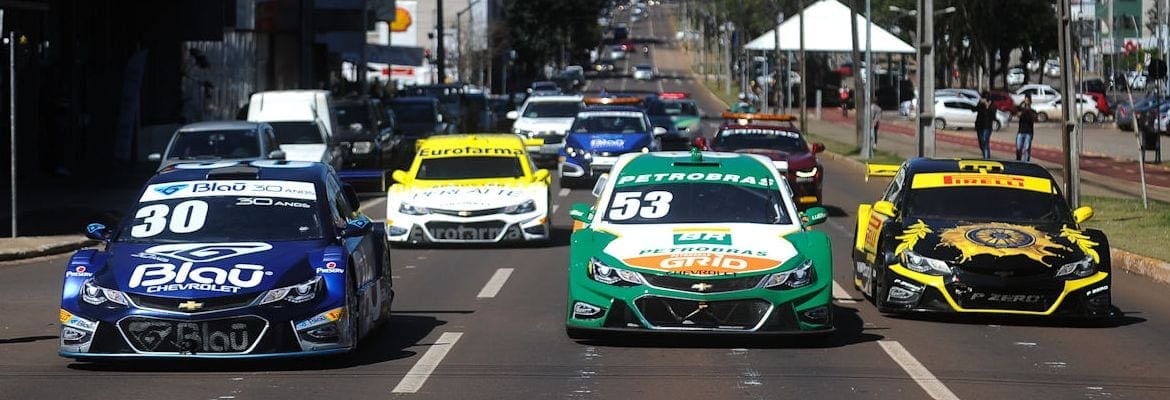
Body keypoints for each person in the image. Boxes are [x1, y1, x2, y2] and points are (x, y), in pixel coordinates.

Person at [1016, 94, 1037, 161]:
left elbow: (1033, 119)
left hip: (1028, 132)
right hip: (1020, 131)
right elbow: (1018, 115)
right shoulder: (1021, 110)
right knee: (1018, 148)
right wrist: (1022, 111)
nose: (1027, 102)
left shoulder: (1032, 111)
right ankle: (1018, 161)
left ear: (1030, 102)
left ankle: (1026, 163)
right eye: (1026, 100)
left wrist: (1028, 111)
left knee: (1026, 149)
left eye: (1028, 100)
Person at [975, 91, 995, 159]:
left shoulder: (992, 105)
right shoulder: (980, 104)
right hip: (979, 125)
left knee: (985, 142)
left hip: (987, 126)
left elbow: (993, 116)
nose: (983, 99)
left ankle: (987, 159)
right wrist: (980, 103)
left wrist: (987, 106)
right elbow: (975, 109)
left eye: (985, 98)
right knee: (981, 143)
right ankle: (985, 156)